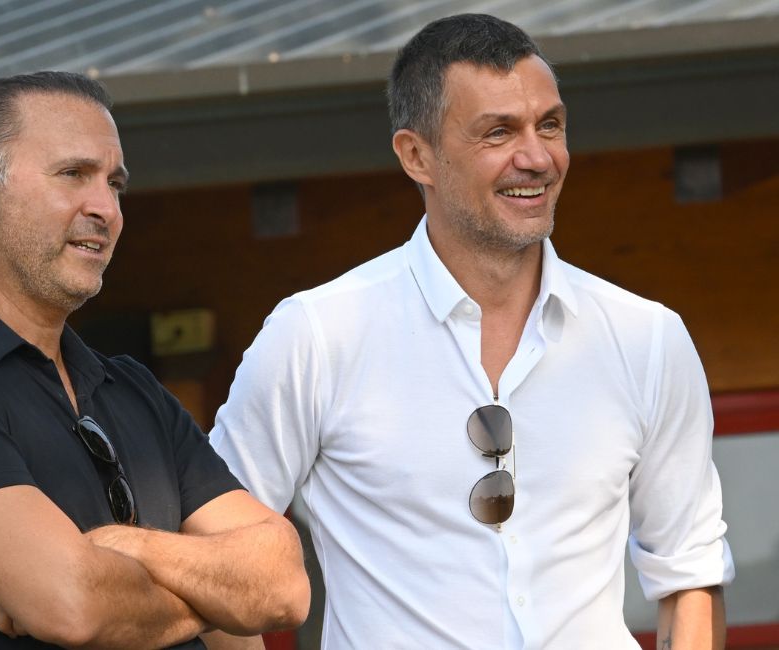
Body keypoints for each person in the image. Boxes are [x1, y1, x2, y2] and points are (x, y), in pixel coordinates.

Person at [209, 13, 734, 649]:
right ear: (417, 155)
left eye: (550, 125)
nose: (537, 157)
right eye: (498, 132)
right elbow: (221, 561)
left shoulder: (649, 338)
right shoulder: (318, 336)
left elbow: (691, 575)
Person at [0, 71, 309, 649]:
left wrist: (133, 546)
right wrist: (218, 595)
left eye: (114, 184)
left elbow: (283, 586)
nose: (107, 209)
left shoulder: (132, 389)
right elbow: (76, 607)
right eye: (73, 175)